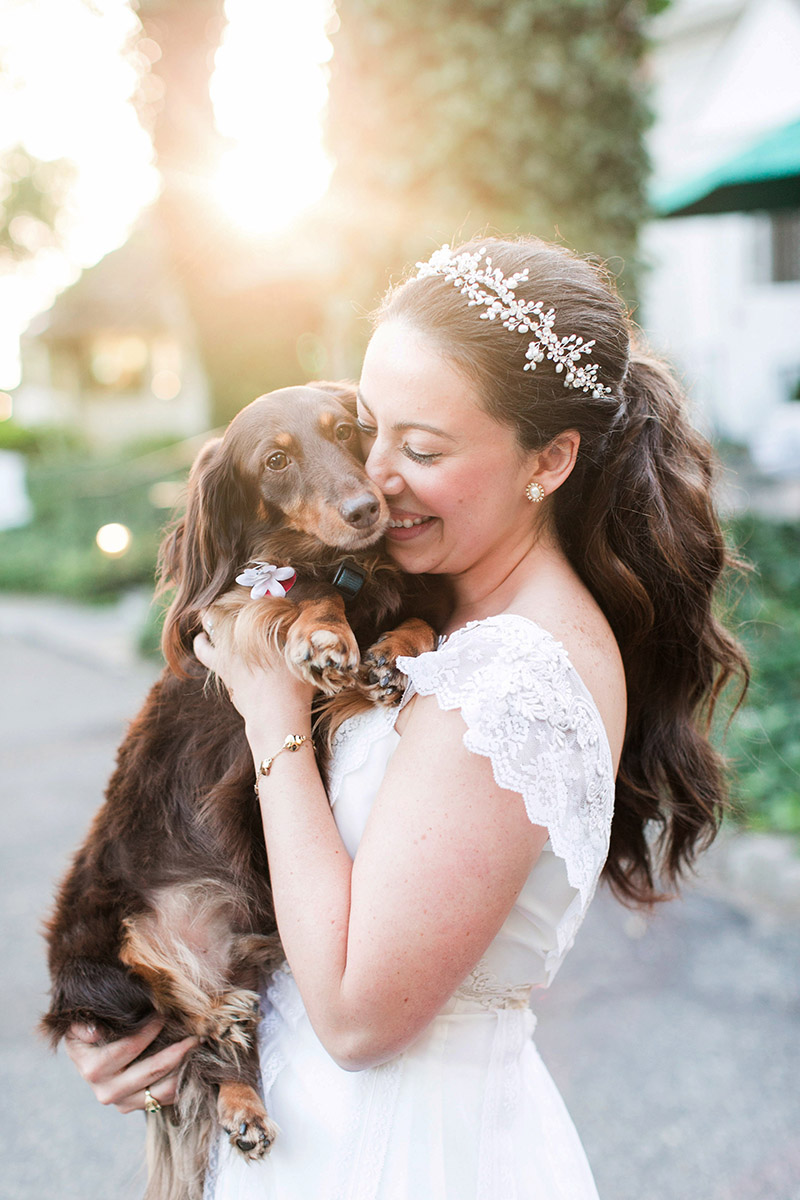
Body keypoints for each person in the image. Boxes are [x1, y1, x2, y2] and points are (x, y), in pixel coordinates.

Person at [66, 236, 747, 1198]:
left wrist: (273, 715)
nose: (372, 479)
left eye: (421, 449)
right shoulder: (432, 614)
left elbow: (354, 1018)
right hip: (307, 1136)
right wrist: (150, 1030)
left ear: (547, 461)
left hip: (398, 1158)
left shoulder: (511, 677)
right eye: (366, 427)